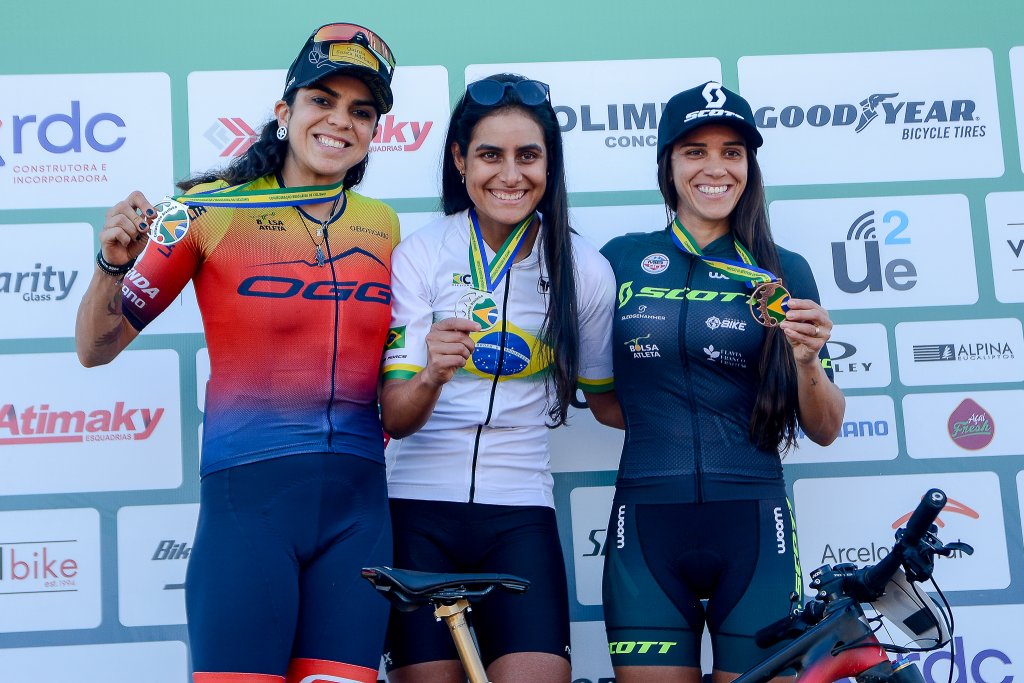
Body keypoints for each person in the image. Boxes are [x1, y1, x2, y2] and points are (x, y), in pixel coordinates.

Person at [75, 23, 400, 683]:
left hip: (360, 514)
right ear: (285, 112)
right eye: (322, 100)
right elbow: (95, 347)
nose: (340, 121)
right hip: (249, 509)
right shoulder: (207, 211)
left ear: (373, 130)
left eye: (361, 111)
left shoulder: (383, 224)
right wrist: (111, 265)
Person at [599, 81, 845, 683]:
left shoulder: (783, 269)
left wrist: (807, 362)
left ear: (749, 166)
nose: (716, 168)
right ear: (668, 164)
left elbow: (825, 428)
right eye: (696, 151)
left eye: (732, 152)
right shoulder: (619, 260)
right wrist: (667, 419)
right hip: (647, 522)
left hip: (753, 525)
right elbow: (604, 400)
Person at [379, 73, 620, 683]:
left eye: (527, 156)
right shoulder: (421, 254)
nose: (510, 175)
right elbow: (396, 418)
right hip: (416, 509)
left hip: (519, 511)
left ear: (549, 164)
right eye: (490, 155)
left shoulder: (585, 270)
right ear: (460, 160)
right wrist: (432, 374)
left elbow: (609, 401)